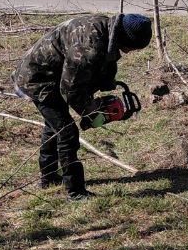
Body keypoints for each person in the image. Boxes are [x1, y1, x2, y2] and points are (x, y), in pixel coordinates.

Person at [13, 13, 153, 199]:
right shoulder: (89, 45)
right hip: (38, 80)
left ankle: (48, 178)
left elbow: (105, 57)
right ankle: (75, 191)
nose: (129, 52)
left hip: (54, 75)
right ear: (124, 38)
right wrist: (91, 111)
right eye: (130, 48)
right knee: (67, 132)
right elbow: (71, 89)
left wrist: (107, 82)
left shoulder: (107, 28)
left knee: (54, 127)